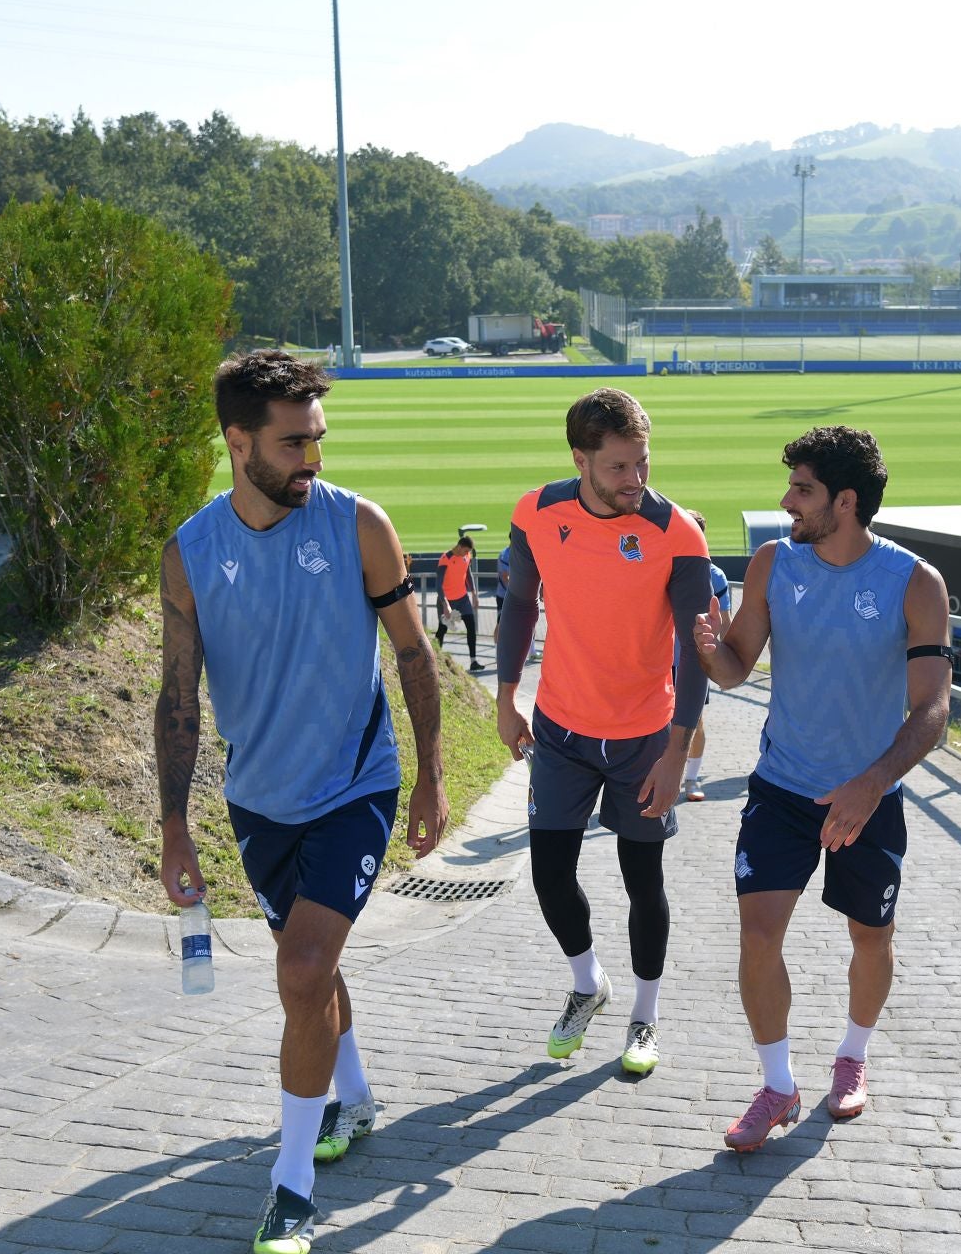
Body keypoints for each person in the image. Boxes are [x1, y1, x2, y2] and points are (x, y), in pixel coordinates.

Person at [156, 349, 449, 1254]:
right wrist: (173, 825)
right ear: (237, 441)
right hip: (259, 799)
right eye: (292, 443)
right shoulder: (191, 554)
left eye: (318, 439)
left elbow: (412, 654)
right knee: (310, 968)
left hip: (355, 782)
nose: (311, 459)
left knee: (300, 968)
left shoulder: (359, 526)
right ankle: (354, 1100)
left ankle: (290, 1189)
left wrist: (432, 773)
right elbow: (176, 698)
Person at [692, 425, 951, 1152]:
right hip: (779, 788)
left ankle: (852, 1057)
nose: (786, 502)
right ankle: (777, 1086)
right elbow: (740, 663)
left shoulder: (914, 582)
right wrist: (713, 654)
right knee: (757, 934)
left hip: (868, 796)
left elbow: (932, 704)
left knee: (871, 936)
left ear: (845, 501)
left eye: (801, 490)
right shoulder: (774, 563)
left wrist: (871, 784)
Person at [495, 387, 712, 1078]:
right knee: (549, 874)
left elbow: (693, 649)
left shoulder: (677, 532)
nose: (636, 481)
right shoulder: (536, 512)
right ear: (581, 458)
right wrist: (506, 698)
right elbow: (519, 605)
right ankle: (588, 985)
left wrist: (678, 753)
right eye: (619, 467)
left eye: (643, 463)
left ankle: (644, 1017)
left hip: (645, 736)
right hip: (560, 730)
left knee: (641, 880)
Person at [680, 511, 732, 803]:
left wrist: (720, 656)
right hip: (659, 660)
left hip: (696, 659)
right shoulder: (660, 564)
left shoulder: (715, 576)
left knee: (695, 719)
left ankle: (691, 778)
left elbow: (724, 622)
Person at [435, 534, 483, 673]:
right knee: (442, 630)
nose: (467, 554)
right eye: (466, 550)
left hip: (463, 599)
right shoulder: (446, 559)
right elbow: (438, 585)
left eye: (469, 552)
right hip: (446, 600)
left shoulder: (466, 556)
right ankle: (434, 660)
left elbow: (468, 573)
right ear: (459, 546)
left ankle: (473, 661)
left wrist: (474, 593)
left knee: (471, 627)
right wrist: (445, 604)